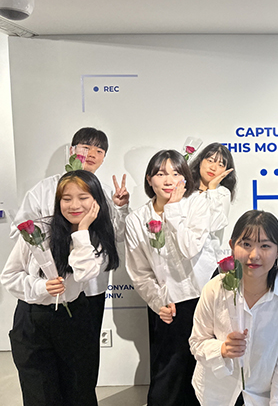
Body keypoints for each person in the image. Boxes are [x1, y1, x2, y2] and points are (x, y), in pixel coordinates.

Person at [9, 126, 129, 385]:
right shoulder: (45, 188)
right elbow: (21, 230)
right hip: (49, 288)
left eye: (99, 150)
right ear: (72, 150)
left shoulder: (103, 192)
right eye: (86, 147)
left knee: (84, 359)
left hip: (91, 288)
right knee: (44, 370)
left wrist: (121, 208)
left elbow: (116, 236)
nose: (92, 154)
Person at [2, 170, 119, 406]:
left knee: (79, 390)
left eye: (83, 197)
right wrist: (40, 286)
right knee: (39, 393)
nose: (74, 205)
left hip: (74, 317)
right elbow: (9, 276)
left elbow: (84, 272)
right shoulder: (37, 231)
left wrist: (82, 230)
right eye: (66, 199)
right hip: (32, 320)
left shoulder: (99, 238)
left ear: (96, 201)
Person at [125, 150, 228, 406]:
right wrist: (158, 301)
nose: (169, 180)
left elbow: (189, 248)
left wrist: (173, 209)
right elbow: (140, 271)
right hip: (167, 304)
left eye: (176, 173)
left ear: (185, 178)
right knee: (169, 373)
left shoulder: (197, 204)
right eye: (161, 174)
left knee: (203, 369)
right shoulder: (136, 219)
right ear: (149, 179)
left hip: (204, 297)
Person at [190, 210, 278, 406]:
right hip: (215, 394)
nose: (254, 255)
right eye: (246, 244)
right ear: (232, 246)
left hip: (262, 397)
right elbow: (197, 342)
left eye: (265, 246)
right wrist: (222, 349)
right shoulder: (215, 289)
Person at [188, 142, 237, 243]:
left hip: (208, 250)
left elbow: (214, 225)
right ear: (200, 161)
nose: (213, 168)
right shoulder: (185, 188)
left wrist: (212, 189)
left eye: (220, 165)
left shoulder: (222, 193)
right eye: (210, 161)